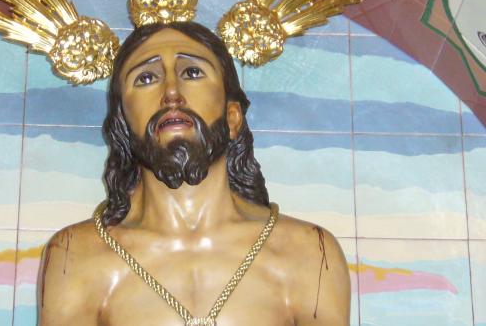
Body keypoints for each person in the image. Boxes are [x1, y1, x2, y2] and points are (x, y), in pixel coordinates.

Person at [37, 21, 350, 325]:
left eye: (192, 72)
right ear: (123, 127)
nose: (171, 93)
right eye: (146, 78)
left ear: (232, 117)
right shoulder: (78, 256)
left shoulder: (306, 253)